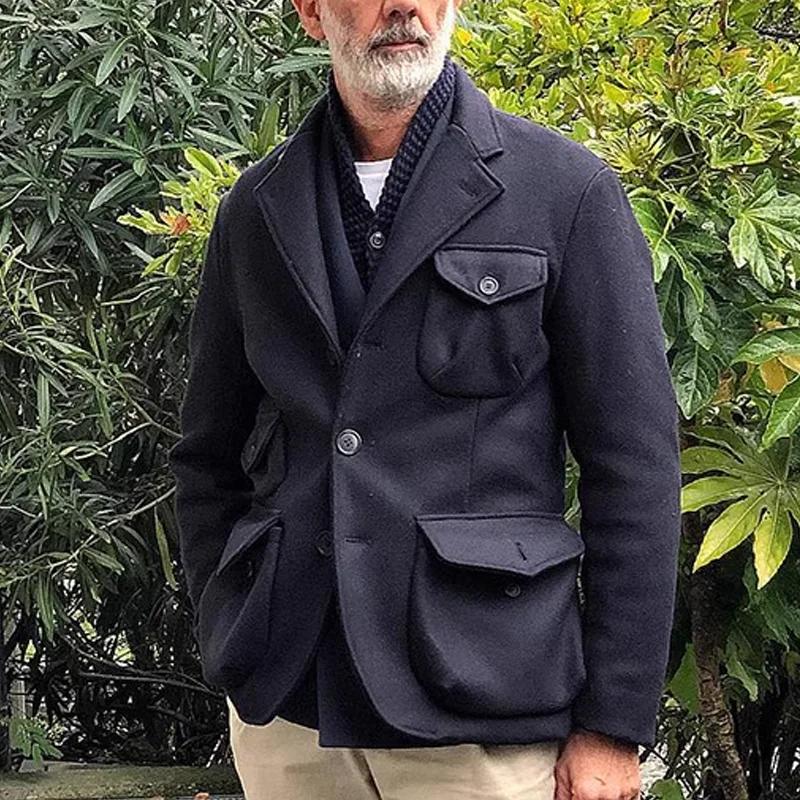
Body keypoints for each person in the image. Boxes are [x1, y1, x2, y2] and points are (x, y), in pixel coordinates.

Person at [167, 0, 682, 797]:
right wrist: (228, 623)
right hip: (293, 713)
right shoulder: (256, 209)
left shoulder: (565, 192)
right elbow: (208, 455)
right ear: (311, 13)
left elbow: (635, 470)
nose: (404, 6)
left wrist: (614, 723)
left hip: (485, 706)